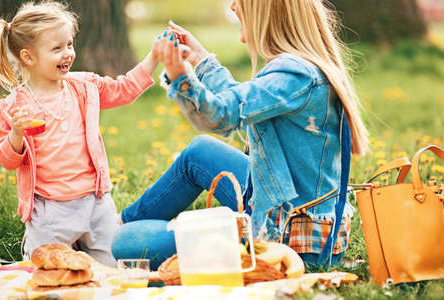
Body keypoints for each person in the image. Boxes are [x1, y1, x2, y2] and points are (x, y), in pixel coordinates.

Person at [113, 0, 369, 270]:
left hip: (289, 243)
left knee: (124, 244)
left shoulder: (294, 76)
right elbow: (240, 102)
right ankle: (119, 223)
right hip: (281, 204)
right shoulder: (300, 68)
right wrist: (199, 59)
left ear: (265, 13)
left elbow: (221, 115)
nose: (234, 6)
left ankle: (119, 232)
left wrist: (180, 76)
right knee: (200, 152)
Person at [0, 1, 158, 267]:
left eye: (69, 44)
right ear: (28, 57)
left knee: (111, 269)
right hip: (49, 211)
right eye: (57, 48)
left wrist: (155, 57)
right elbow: (6, 160)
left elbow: (124, 88)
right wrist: (16, 135)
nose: (68, 53)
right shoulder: (13, 108)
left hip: (95, 203)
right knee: (45, 272)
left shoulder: (84, 87)